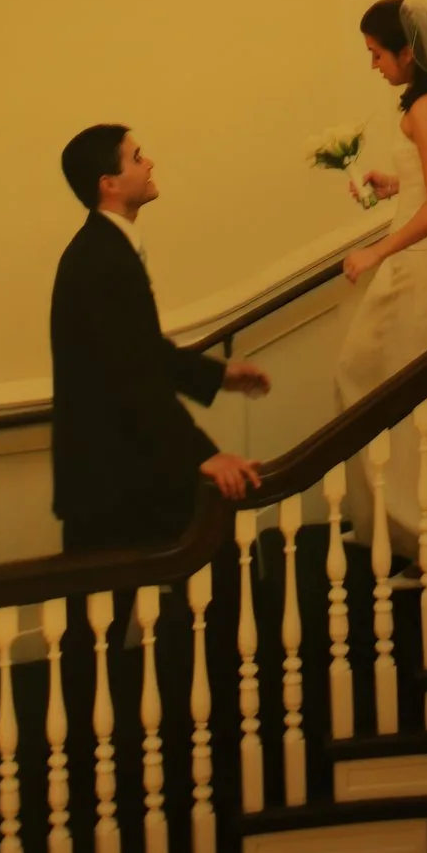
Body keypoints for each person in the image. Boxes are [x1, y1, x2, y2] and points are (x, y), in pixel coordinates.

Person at [48, 123, 268, 550]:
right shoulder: (102, 259)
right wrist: (203, 454)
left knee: (105, 611)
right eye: (136, 157)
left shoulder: (103, 247)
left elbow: (140, 351)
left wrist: (219, 376)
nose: (149, 163)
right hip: (115, 478)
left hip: (116, 472)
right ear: (108, 184)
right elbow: (131, 374)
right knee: (218, 548)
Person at [331, 0, 427, 527]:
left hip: (421, 265)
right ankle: (413, 516)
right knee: (413, 393)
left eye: (376, 54)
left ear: (407, 53)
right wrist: (396, 184)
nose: (374, 66)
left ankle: (424, 520)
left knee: (377, 382)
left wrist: (376, 251)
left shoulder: (425, 107)